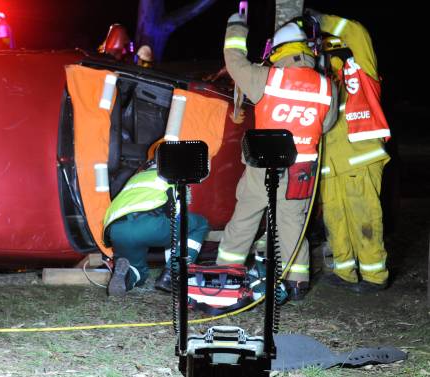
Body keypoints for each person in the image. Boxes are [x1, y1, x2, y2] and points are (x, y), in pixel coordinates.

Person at [216, 14, 338, 301]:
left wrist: (235, 27)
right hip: (303, 171)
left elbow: (234, 61)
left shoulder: (267, 78)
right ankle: (296, 282)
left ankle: (227, 272)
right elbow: (327, 124)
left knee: (246, 217)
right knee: (292, 223)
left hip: (265, 166)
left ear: (278, 51)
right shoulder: (326, 86)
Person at [308, 11, 391, 293]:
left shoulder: (362, 69)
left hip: (361, 155)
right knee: (335, 218)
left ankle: (374, 276)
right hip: (331, 162)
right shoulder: (323, 78)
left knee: (363, 216)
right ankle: (345, 272)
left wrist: (322, 19)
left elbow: (357, 32)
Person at [104, 160, 210, 297]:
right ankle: (172, 275)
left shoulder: (136, 178)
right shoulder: (173, 175)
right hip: (148, 226)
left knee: (138, 271)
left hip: (117, 230)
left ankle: (126, 277)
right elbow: (177, 215)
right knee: (199, 224)